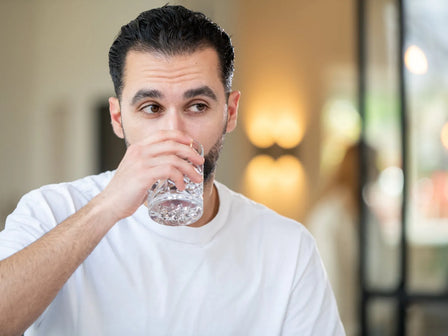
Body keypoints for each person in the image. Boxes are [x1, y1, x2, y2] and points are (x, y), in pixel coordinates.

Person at [0, 5, 344, 335]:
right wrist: (106, 208)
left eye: (197, 106)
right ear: (118, 118)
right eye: (151, 107)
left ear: (231, 111)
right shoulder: (50, 210)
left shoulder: (288, 248)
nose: (174, 134)